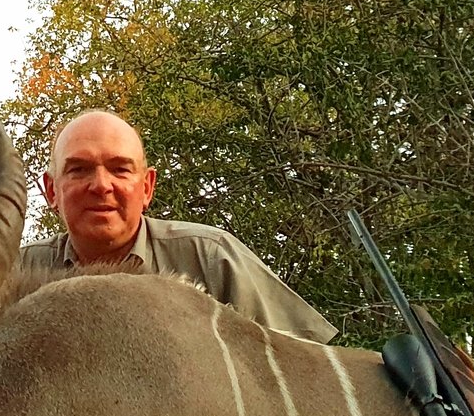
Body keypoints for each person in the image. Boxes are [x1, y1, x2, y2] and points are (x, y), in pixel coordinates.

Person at [18, 110, 337, 343]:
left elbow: (304, 366)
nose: (102, 185)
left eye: (120, 169)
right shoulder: (17, 272)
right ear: (51, 190)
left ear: (146, 188)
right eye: (79, 170)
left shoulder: (211, 258)